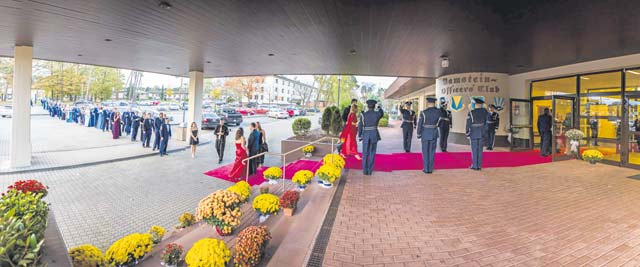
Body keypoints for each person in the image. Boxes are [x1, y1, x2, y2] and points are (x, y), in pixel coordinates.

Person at [357, 99, 384, 175]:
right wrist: (379, 108)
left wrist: (360, 136)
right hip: (374, 134)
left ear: (368, 106)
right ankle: (370, 170)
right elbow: (381, 113)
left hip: (365, 134)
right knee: (372, 152)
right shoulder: (377, 114)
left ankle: (364, 170)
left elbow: (360, 126)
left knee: (365, 153)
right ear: (374, 106)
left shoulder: (363, 114)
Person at [417, 97, 441, 174]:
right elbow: (440, 122)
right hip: (434, 132)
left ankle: (426, 168)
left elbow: (420, 124)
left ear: (427, 103)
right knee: (432, 151)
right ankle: (430, 168)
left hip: (425, 132)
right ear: (434, 103)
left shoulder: (424, 112)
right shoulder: (438, 112)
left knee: (425, 151)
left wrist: (418, 133)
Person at [466, 98, 489, 170]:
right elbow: (487, 123)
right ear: (481, 104)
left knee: (474, 149)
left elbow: (468, 124)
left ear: (475, 104)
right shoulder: (485, 112)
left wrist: (467, 133)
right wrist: (485, 131)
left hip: (474, 132)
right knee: (480, 149)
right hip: (482, 132)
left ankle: (475, 165)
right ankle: (479, 166)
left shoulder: (471, 112)